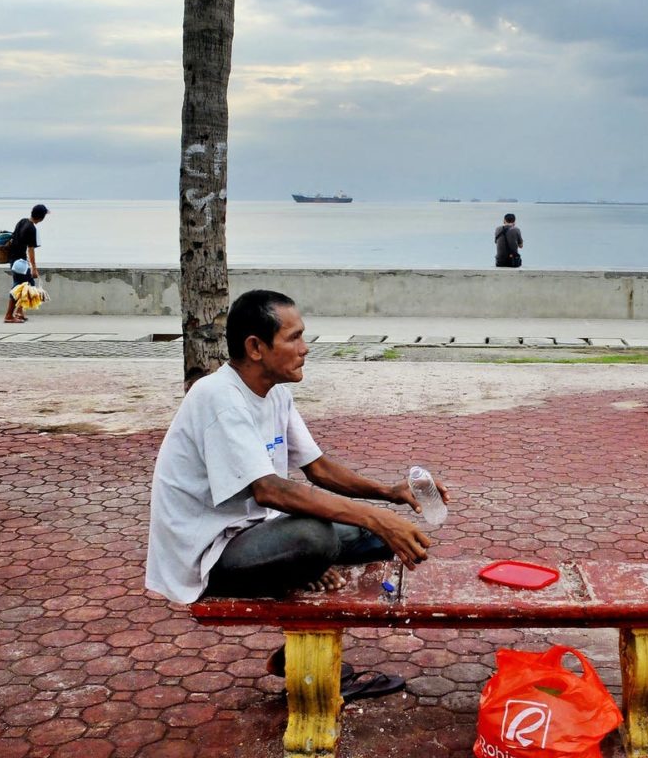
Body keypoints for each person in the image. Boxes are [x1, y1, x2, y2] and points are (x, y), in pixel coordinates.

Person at [145, 289, 448, 693]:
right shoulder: (218, 398)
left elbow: (318, 468)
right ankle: (303, 579)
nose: (305, 349)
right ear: (256, 347)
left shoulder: (276, 394)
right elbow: (270, 490)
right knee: (315, 537)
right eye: (294, 338)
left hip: (256, 535)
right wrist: (376, 517)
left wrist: (388, 496)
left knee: (370, 537)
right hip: (209, 556)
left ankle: (296, 652)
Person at [3, 203, 48, 323]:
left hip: (14, 259)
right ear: (42, 217)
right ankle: (9, 316)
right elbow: (31, 249)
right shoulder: (31, 228)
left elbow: (13, 238)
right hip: (20, 262)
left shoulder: (22, 221)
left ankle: (19, 311)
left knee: (29, 284)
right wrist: (34, 268)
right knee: (18, 288)